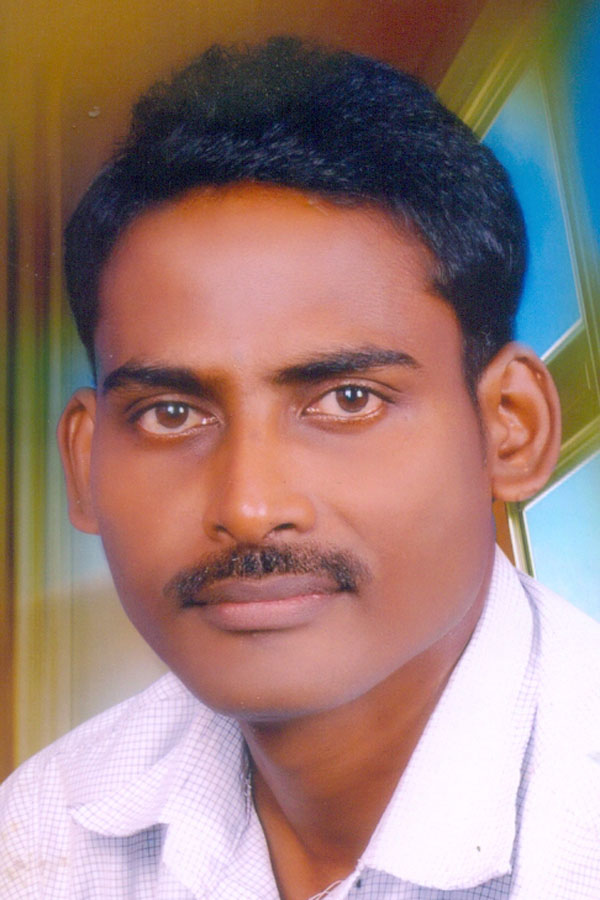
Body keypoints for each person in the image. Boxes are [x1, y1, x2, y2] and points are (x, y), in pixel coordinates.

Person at [1, 36, 598, 900]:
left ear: (512, 429)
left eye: (348, 400)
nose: (250, 506)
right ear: (85, 464)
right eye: (172, 414)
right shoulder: (41, 836)